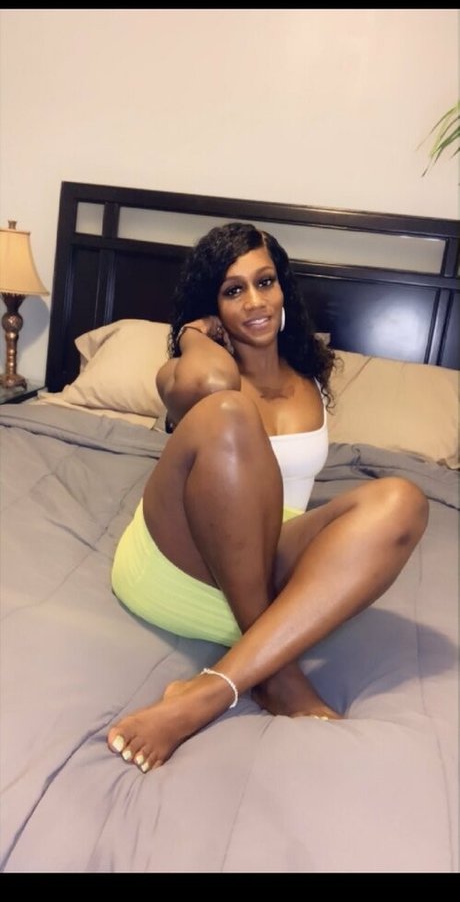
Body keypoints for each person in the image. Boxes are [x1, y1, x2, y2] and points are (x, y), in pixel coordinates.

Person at [107, 222, 429, 773]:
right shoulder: (184, 374)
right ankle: (275, 674)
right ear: (211, 304)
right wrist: (193, 334)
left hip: (263, 567)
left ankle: (214, 688)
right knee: (229, 413)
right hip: (182, 560)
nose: (255, 302)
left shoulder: (311, 378)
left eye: (265, 282)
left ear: (283, 288)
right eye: (233, 290)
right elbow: (215, 388)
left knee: (404, 501)